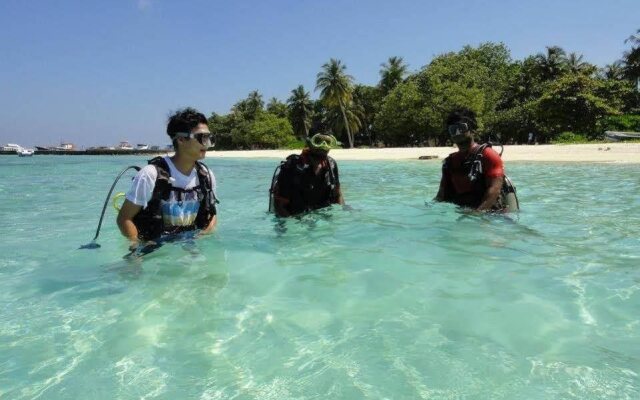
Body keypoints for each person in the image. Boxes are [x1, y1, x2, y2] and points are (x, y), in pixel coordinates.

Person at [117, 108, 218, 250]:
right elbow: (124, 218)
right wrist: (136, 250)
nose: (207, 144)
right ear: (181, 139)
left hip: (190, 246)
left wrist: (202, 237)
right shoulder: (151, 174)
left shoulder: (206, 175)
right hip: (153, 249)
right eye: (202, 138)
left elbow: (212, 215)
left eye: (210, 138)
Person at [434, 108, 519, 212]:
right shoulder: (449, 163)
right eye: (453, 130)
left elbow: (494, 190)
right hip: (463, 212)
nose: (457, 133)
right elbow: (441, 195)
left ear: (472, 129)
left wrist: (476, 215)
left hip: (491, 214)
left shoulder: (489, 155)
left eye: (461, 128)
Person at [269, 133, 345, 217]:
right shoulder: (292, 167)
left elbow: (338, 195)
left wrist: (341, 216)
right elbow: (280, 206)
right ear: (309, 143)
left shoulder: (331, 164)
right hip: (295, 217)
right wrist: (293, 227)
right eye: (318, 141)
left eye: (328, 142)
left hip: (321, 215)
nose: (323, 145)